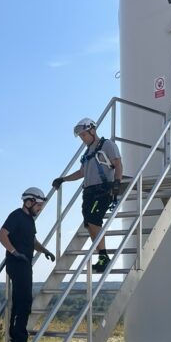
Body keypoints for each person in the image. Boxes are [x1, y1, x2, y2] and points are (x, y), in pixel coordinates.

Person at [52, 117, 123, 273]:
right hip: (88, 191)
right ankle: (102, 256)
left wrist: (117, 182)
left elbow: (118, 164)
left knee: (93, 219)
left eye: (84, 135)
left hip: (103, 190)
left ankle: (104, 256)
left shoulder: (107, 145)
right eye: (81, 136)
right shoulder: (87, 152)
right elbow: (81, 173)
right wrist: (63, 179)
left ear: (92, 130)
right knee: (89, 222)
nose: (83, 139)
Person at [0, 187, 56, 342]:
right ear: (29, 202)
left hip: (25, 264)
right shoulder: (16, 216)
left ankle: (17, 341)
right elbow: (1, 235)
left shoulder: (30, 219)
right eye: (38, 205)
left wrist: (45, 251)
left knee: (22, 302)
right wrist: (15, 253)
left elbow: (33, 240)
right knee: (23, 302)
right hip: (17, 263)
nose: (40, 209)